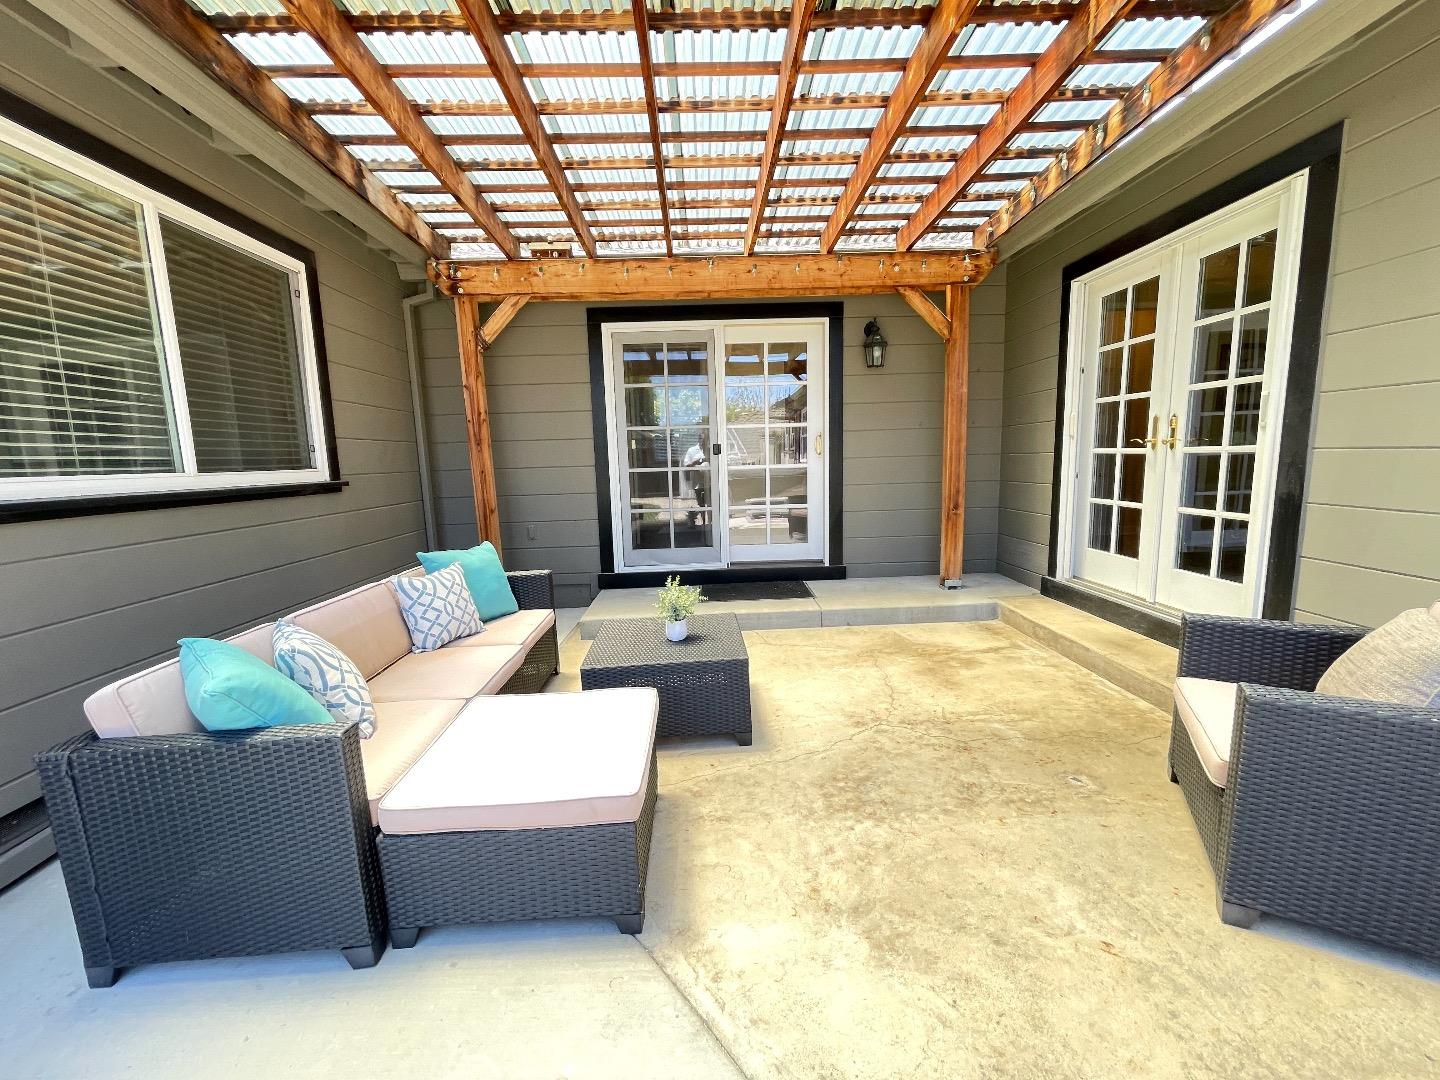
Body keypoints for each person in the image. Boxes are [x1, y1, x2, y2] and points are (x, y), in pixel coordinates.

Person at [681, 436, 710, 528]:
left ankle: (711, 523)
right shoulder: (692, 450)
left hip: (709, 482)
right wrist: (697, 462)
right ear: (698, 439)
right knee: (701, 504)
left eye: (705, 439)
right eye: (701, 439)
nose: (703, 441)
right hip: (697, 483)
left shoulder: (710, 450)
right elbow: (686, 465)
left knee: (710, 504)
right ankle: (703, 523)